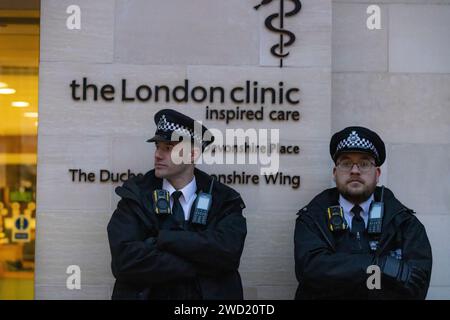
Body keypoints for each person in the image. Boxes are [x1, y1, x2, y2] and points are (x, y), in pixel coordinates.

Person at [107, 109, 247, 300]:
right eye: (157, 146)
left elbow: (228, 253)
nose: (157, 154)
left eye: (168, 147)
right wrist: (201, 263)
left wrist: (163, 239)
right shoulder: (136, 196)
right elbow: (124, 261)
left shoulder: (224, 199)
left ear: (192, 155)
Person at [294, 126, 432, 299]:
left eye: (365, 163)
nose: (355, 171)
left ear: (377, 173)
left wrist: (339, 273)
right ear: (335, 173)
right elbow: (310, 273)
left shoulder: (405, 223)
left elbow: (416, 286)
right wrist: (379, 266)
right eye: (345, 163)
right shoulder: (312, 219)